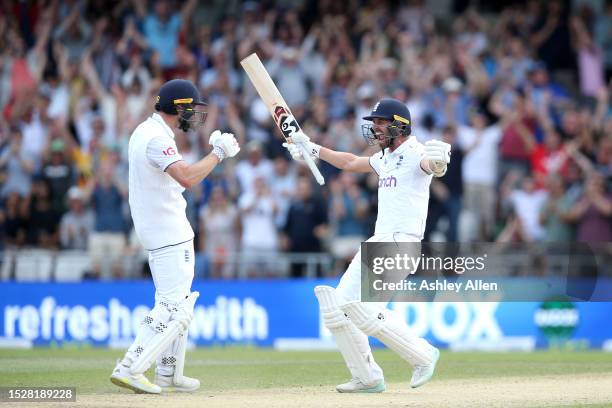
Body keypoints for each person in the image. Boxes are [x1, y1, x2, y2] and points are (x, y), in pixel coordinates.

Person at [283, 98, 450, 393]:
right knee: (337, 308)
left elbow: (431, 166)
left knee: (361, 308)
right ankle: (367, 376)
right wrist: (311, 147)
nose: (374, 128)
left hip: (402, 243)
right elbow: (348, 162)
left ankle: (423, 355)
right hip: (379, 240)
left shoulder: (416, 152)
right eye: (373, 123)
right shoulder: (384, 157)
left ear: (400, 125)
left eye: (380, 122)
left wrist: (439, 163)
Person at [110, 79, 240, 394]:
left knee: (177, 302)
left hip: (159, 230)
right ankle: (130, 366)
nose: (194, 114)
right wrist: (218, 154)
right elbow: (186, 177)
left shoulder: (145, 131)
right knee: (172, 306)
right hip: (169, 232)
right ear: (177, 107)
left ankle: (169, 373)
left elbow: (170, 183)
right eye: (191, 108)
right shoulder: (157, 139)